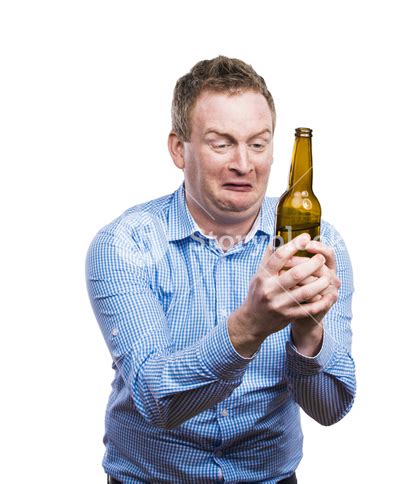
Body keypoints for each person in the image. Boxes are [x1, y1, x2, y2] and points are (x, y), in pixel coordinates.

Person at [86, 55, 356, 484]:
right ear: (179, 149)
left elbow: (330, 409)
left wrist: (308, 332)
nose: (244, 165)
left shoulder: (318, 242)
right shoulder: (127, 244)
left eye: (258, 143)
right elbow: (157, 402)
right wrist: (249, 326)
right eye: (221, 143)